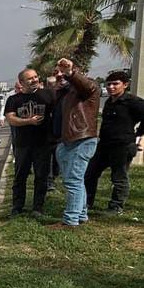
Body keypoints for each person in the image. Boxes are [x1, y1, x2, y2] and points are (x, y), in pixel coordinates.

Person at [47, 57, 100, 230]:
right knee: (76, 181)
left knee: (73, 182)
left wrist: (70, 72)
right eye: (57, 72)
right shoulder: (65, 92)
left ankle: (70, 221)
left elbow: (88, 86)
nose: (60, 75)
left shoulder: (85, 88)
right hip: (67, 141)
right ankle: (81, 214)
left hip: (80, 140)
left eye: (63, 72)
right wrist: (57, 81)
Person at [84, 69, 144, 215]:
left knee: (119, 177)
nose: (111, 87)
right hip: (104, 145)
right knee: (90, 173)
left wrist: (138, 134)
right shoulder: (109, 102)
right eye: (109, 84)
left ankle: (116, 207)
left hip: (123, 146)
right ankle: (86, 202)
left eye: (115, 84)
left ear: (125, 85)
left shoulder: (132, 102)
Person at [3, 68, 55, 217]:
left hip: (43, 143)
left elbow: (57, 113)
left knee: (41, 176)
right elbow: (11, 118)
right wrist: (28, 121)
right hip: (22, 145)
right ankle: (17, 207)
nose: (34, 80)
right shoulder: (14, 100)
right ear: (21, 82)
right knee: (20, 177)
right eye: (30, 78)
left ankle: (38, 207)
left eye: (36, 77)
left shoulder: (47, 95)